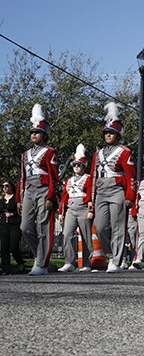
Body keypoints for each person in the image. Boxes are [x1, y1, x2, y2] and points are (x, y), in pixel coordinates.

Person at [87, 102, 137, 273]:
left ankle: (116, 261)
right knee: (100, 227)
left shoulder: (125, 152)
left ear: (118, 135)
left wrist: (130, 196)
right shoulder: (97, 153)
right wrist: (90, 199)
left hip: (117, 191)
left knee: (117, 226)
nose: (108, 135)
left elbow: (131, 177)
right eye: (106, 133)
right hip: (101, 191)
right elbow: (93, 176)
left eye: (111, 133)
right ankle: (112, 254)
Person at [17, 104, 59, 276]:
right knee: (25, 228)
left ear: (44, 135)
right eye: (32, 132)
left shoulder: (50, 152)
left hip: (43, 189)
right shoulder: (25, 153)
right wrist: (19, 198)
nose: (34, 135)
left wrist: (50, 197)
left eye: (37, 132)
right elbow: (22, 176)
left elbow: (54, 177)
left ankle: (41, 264)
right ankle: (39, 256)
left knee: (43, 228)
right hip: (28, 190)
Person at [57, 144, 93, 273]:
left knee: (86, 237)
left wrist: (91, 211)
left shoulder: (89, 178)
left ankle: (86, 264)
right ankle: (69, 262)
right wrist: (61, 212)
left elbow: (91, 195)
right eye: (74, 165)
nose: (76, 167)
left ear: (84, 166)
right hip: (71, 209)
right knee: (67, 235)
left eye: (79, 165)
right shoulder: (68, 181)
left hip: (83, 208)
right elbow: (64, 198)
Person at [0, 179, 25, 275]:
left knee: (14, 247)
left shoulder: (16, 198)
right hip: (3, 225)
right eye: (3, 186)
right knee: (4, 248)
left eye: (6, 186)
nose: (5, 188)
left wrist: (12, 214)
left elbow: (20, 212)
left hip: (14, 225)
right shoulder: (1, 199)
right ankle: (6, 269)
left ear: (11, 187)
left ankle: (20, 263)